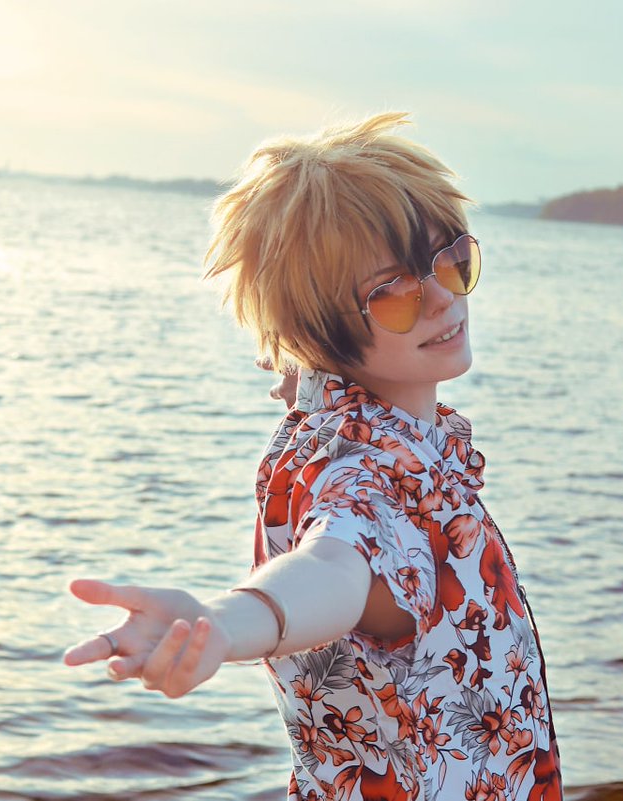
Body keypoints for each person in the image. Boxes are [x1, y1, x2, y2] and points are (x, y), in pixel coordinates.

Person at [64, 112, 563, 800]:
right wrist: (224, 624)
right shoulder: (370, 475)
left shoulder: (369, 429)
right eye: (392, 293)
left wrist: (302, 368)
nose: (442, 297)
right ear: (322, 330)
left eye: (451, 258)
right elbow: (332, 565)